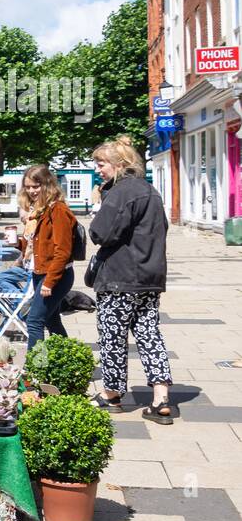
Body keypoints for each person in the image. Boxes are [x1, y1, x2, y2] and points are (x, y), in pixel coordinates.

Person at [88, 137, 175, 423]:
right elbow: (162, 228)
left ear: (119, 164)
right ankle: (161, 398)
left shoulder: (121, 192)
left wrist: (101, 204)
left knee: (113, 337)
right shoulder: (150, 191)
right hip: (149, 278)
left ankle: (112, 393)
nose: (98, 170)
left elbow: (100, 233)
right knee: (150, 334)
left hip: (119, 278)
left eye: (101, 164)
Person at [20, 165, 76, 350]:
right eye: (28, 187)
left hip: (55, 275)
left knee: (34, 321)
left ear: (47, 185)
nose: (31, 191)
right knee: (51, 321)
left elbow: (63, 251)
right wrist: (17, 244)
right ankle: (67, 360)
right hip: (40, 272)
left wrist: (49, 282)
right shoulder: (39, 210)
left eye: (36, 186)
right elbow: (38, 246)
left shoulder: (57, 210)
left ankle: (34, 369)